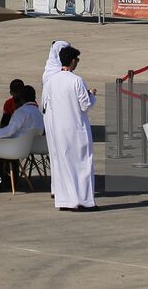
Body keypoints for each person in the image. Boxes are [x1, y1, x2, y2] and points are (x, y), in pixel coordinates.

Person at [42, 45, 96, 210]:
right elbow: (85, 105)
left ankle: (65, 201)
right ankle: (85, 201)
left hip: (59, 129)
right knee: (83, 165)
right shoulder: (76, 80)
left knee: (64, 165)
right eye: (77, 60)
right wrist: (92, 95)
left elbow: (49, 105)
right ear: (73, 61)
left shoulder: (51, 81)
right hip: (77, 128)